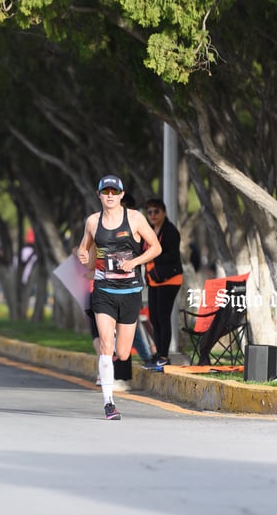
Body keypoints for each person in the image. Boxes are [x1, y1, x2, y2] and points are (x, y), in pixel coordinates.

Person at [78, 174, 161, 420]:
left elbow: (156, 247)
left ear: (122, 195)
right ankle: (108, 403)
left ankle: (116, 347)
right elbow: (86, 247)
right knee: (106, 345)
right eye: (106, 192)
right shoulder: (93, 221)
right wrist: (85, 258)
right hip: (103, 290)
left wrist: (134, 261)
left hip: (130, 291)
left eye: (115, 192)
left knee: (123, 353)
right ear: (99, 195)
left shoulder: (135, 219)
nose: (110, 196)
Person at [143, 198, 184, 368]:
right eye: (150, 212)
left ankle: (164, 356)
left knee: (163, 316)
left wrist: (153, 255)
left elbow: (172, 255)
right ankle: (158, 353)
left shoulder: (170, 231)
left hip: (169, 279)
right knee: (153, 317)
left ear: (164, 212)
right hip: (153, 279)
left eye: (156, 211)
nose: (152, 215)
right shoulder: (149, 230)